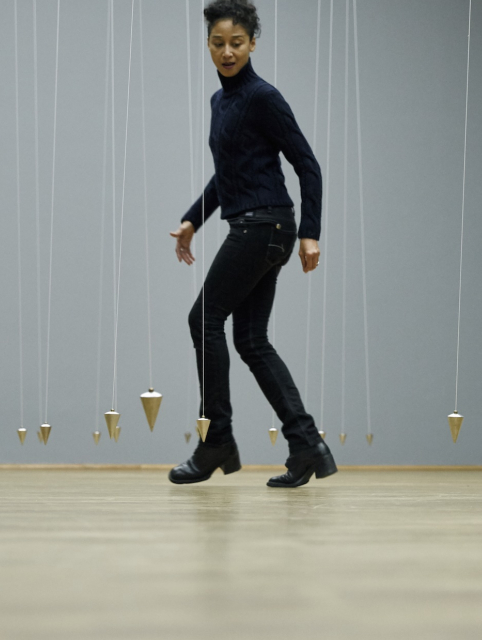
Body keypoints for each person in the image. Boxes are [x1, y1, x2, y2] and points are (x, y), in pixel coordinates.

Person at [168, 0, 336, 488]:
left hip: (265, 227)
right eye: (218, 43)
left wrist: (311, 233)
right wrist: (192, 221)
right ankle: (307, 446)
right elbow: (227, 174)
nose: (227, 52)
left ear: (253, 44)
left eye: (236, 43)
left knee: (203, 319)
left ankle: (217, 438)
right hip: (259, 226)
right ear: (208, 45)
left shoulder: (263, 97)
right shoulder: (221, 102)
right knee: (251, 340)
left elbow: (308, 165)